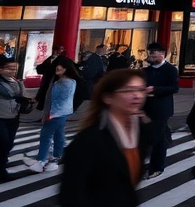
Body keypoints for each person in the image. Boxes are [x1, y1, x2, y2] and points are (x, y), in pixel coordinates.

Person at [60, 69, 152, 206]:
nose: (137, 96)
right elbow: (71, 193)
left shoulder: (139, 132)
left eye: (141, 90)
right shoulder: (89, 139)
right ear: (107, 97)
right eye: (128, 90)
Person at [23, 58, 79, 172]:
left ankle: (41, 161)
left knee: (46, 135)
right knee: (58, 135)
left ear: (67, 69)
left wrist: (51, 114)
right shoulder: (66, 81)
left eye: (61, 67)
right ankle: (55, 159)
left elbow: (59, 101)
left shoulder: (66, 83)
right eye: (57, 66)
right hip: (62, 112)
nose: (57, 68)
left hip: (57, 113)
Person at [142, 42, 178, 179]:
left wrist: (154, 89)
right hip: (145, 108)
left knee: (158, 139)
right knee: (146, 137)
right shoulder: (145, 71)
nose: (150, 55)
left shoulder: (171, 70)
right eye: (150, 53)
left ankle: (156, 167)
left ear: (162, 54)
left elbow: (174, 88)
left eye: (153, 53)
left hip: (161, 109)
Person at [0, 56, 32, 181]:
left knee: (9, 143)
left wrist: (21, 83)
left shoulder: (15, 80)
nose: (13, 70)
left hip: (13, 116)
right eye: (9, 68)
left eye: (15, 68)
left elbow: (22, 95)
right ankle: (0, 170)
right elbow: (10, 94)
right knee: (3, 141)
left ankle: (1, 166)